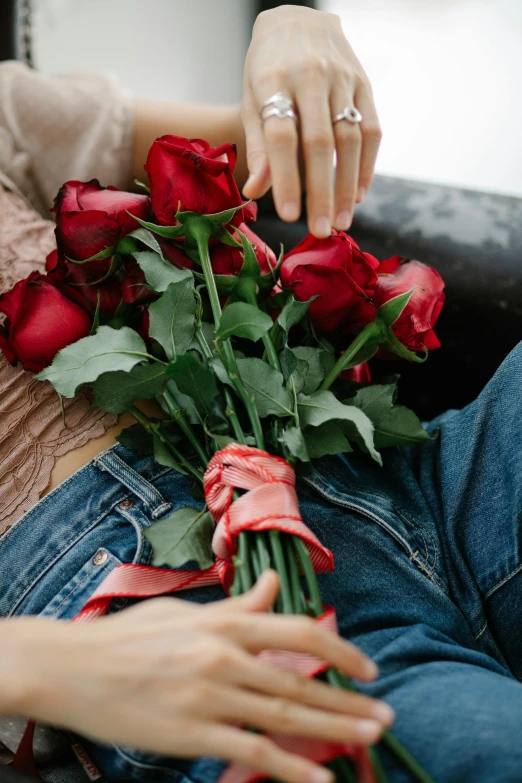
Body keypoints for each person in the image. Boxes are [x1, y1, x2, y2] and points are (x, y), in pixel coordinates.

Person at [1, 5, 522, 783]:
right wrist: (33, 662)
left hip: (378, 469)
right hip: (181, 603)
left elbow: (249, 164)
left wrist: (292, 31)